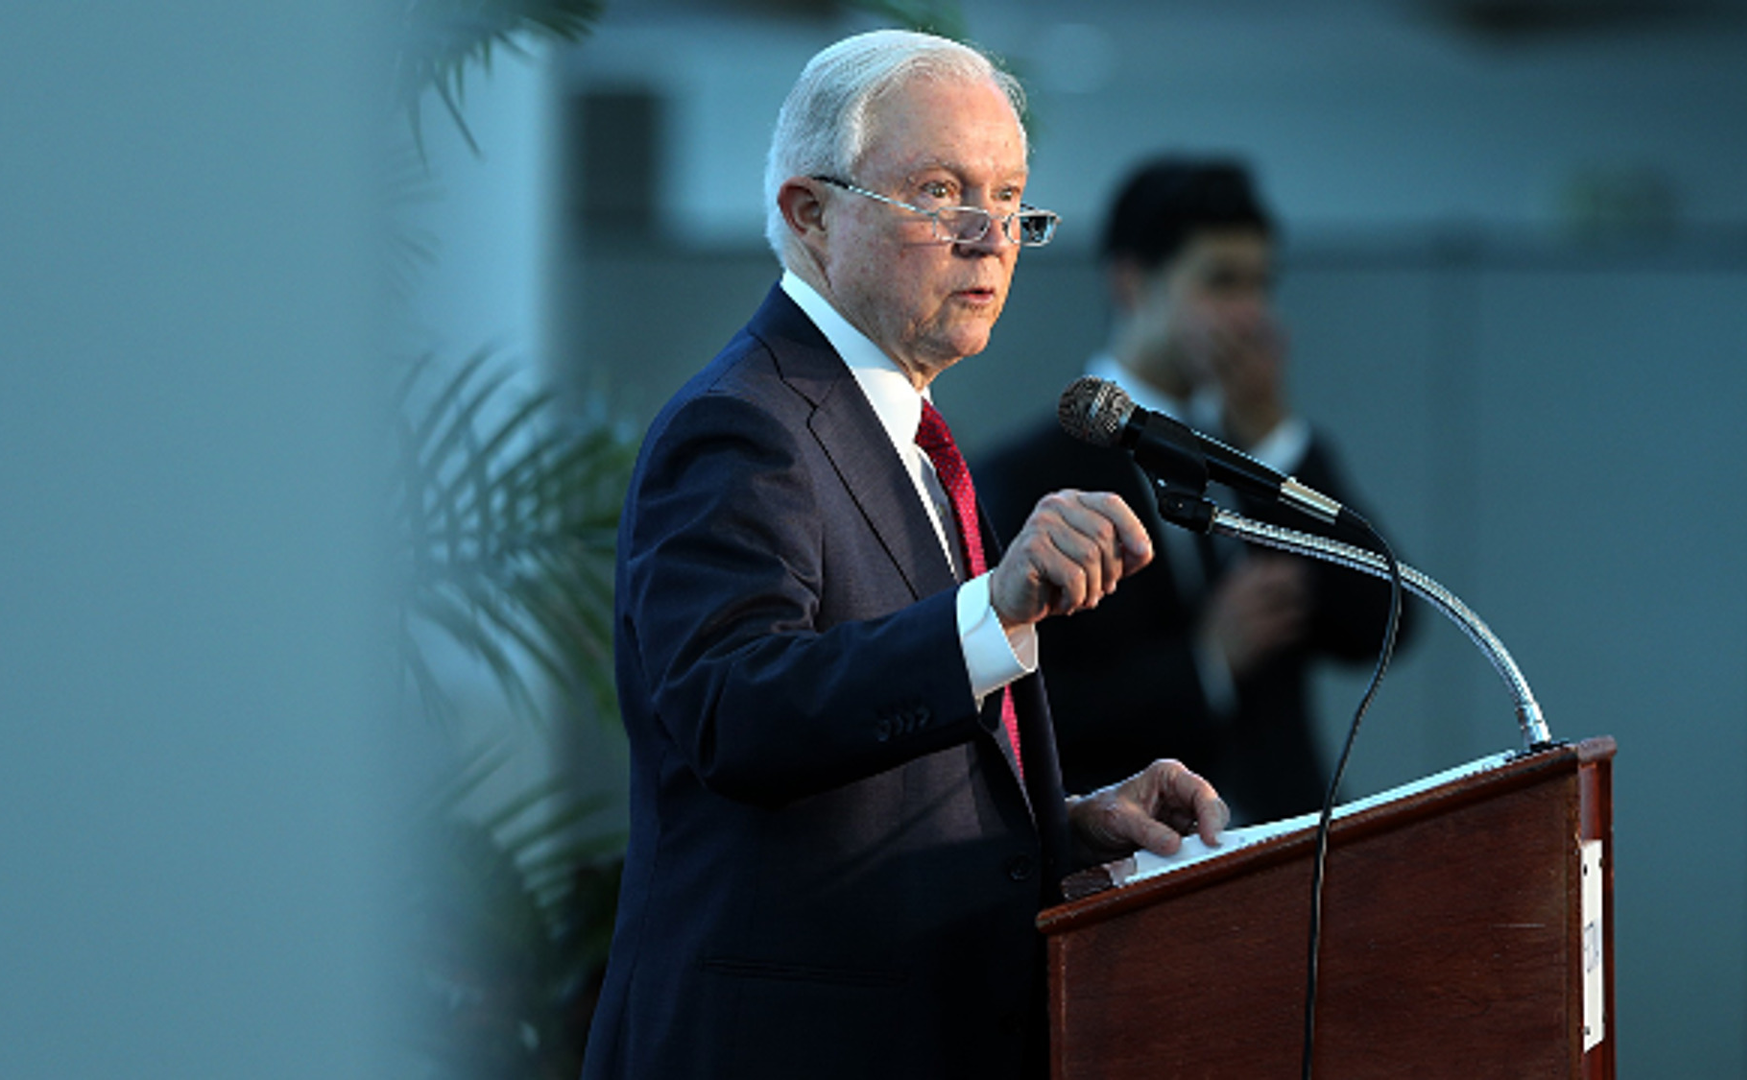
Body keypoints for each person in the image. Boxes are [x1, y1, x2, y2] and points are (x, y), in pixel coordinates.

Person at [582, 31, 1228, 1080]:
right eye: (940, 191)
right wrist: (993, 612)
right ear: (811, 212)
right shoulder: (742, 426)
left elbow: (865, 791)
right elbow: (733, 713)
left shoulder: (905, 437)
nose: (991, 236)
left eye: (1012, 197)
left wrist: (1064, 827)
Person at [978, 157, 1407, 824]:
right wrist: (1205, 662)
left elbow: (1381, 625)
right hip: (1147, 860)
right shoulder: (1025, 475)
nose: (1250, 314)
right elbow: (1031, 709)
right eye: (1220, 283)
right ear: (1131, 283)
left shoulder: (1262, 449)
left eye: (1261, 285)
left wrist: (1272, 438)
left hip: (1300, 847)